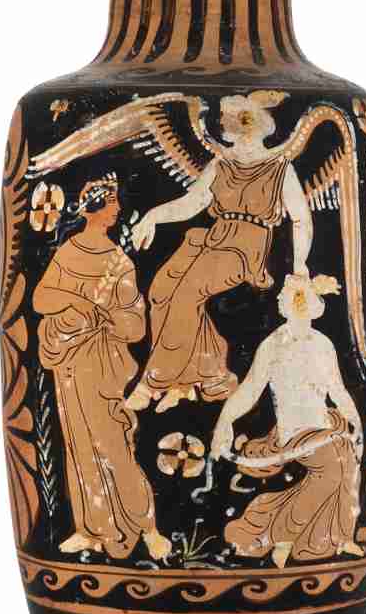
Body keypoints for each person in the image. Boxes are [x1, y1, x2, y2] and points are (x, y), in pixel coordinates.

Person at [125, 91, 313, 413]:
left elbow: (301, 219)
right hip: (213, 238)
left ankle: (153, 382)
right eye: (238, 131)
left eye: (250, 130)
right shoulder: (221, 164)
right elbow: (192, 203)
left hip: (245, 248)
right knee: (162, 290)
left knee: (187, 292)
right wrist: (153, 216)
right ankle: (205, 378)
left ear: (264, 129)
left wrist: (300, 266)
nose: (244, 139)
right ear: (229, 132)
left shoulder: (280, 168)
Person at [32, 174, 171, 561]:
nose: (118, 209)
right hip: (68, 360)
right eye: (111, 202)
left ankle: (148, 527)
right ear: (94, 208)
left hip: (102, 362)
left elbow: (135, 326)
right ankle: (90, 529)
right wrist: (77, 302)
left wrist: (106, 315)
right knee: (79, 446)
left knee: (113, 445)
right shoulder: (68, 252)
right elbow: (41, 298)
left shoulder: (118, 263)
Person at [210, 274, 366, 568]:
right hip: (294, 431)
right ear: (285, 306)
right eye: (294, 300)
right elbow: (250, 390)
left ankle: (339, 536)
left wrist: (356, 421)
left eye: (304, 299)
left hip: (324, 425)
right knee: (334, 465)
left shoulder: (323, 344)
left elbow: (337, 390)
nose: (299, 305)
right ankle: (281, 533)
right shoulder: (274, 345)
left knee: (346, 461)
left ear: (314, 305)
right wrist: (224, 422)